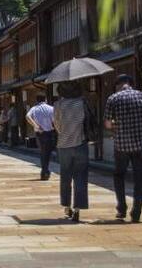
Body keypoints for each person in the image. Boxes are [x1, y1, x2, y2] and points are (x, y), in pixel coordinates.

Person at [104, 74, 142, 223]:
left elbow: (107, 124)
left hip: (121, 145)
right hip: (140, 144)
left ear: (118, 85)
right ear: (130, 83)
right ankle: (136, 212)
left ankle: (121, 208)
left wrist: (116, 125)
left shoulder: (113, 98)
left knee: (119, 175)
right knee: (140, 179)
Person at [53, 81, 90, 222]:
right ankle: (77, 209)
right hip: (80, 143)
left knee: (65, 177)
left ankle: (67, 206)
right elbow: (86, 121)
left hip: (63, 145)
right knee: (80, 177)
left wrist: (64, 133)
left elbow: (56, 124)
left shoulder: (58, 105)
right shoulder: (82, 103)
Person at [26, 94, 56, 180]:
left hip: (39, 133)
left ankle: (44, 171)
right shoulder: (51, 108)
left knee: (42, 152)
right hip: (49, 133)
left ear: (37, 100)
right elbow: (55, 120)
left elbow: (27, 116)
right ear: (45, 99)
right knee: (48, 153)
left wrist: (35, 125)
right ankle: (45, 171)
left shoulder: (34, 108)